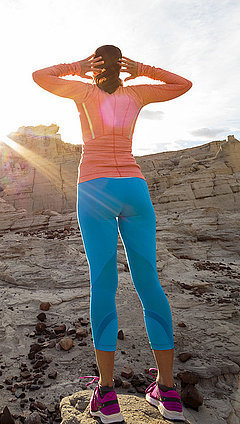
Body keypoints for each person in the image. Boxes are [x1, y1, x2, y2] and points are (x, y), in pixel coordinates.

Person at [32, 45, 192, 423]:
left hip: (94, 188)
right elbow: (183, 84)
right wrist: (142, 68)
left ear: (94, 67)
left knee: (103, 284)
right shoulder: (136, 92)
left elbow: (40, 76)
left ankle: (107, 395)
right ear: (122, 67)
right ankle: (167, 392)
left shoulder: (83, 91)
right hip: (134, 188)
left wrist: (76, 66)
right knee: (149, 282)